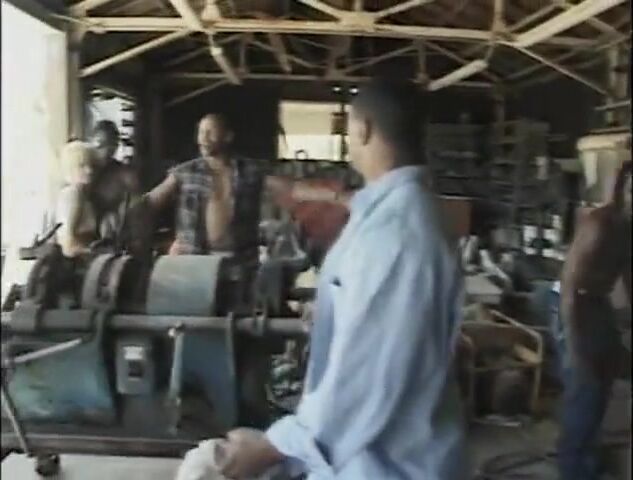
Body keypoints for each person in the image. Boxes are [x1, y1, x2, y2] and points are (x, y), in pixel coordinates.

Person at [214, 81, 468, 480]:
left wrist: (272, 447)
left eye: (348, 128)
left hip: (386, 465)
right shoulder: (388, 214)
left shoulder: (397, 232)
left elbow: (367, 376)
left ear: (363, 129)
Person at [554, 160, 631, 480]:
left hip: (597, 303)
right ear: (622, 190)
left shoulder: (628, 229)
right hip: (571, 304)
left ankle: (587, 456)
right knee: (585, 387)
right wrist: (575, 349)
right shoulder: (600, 224)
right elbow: (569, 286)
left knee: (607, 377)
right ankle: (572, 468)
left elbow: (628, 278)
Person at [56, 141, 100, 257]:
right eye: (82, 166)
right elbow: (67, 242)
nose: (89, 170)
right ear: (70, 168)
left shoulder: (82, 194)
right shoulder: (73, 194)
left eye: (91, 165)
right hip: (76, 260)